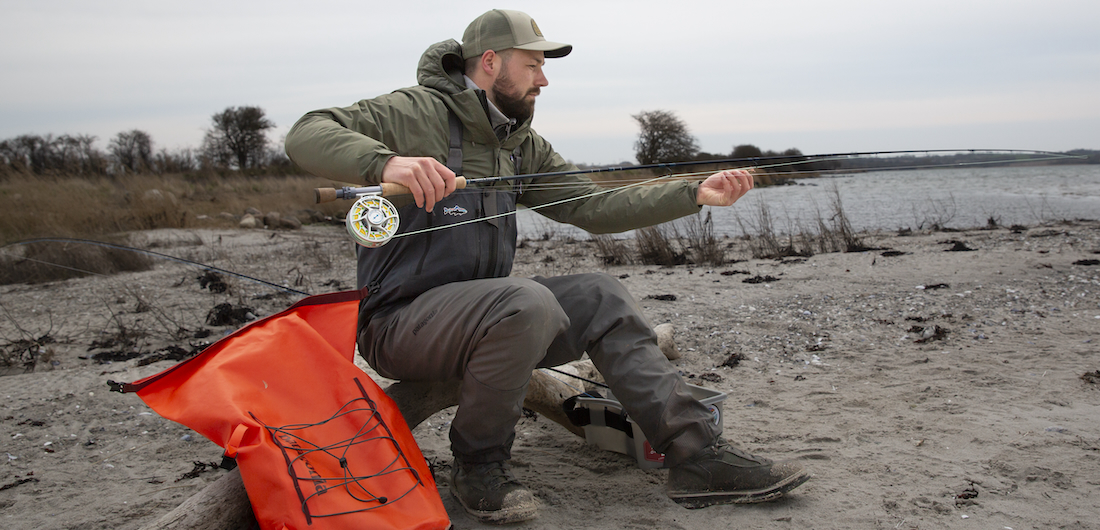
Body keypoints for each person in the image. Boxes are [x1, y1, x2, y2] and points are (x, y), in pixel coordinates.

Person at [286, 9, 808, 524]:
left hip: (494, 322)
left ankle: (697, 455)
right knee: (526, 300)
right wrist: (386, 162)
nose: (544, 78)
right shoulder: (411, 112)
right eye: (533, 64)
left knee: (600, 293)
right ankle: (480, 466)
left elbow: (592, 208)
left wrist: (692, 193)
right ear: (491, 62)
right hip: (399, 326)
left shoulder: (519, 144)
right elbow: (306, 132)